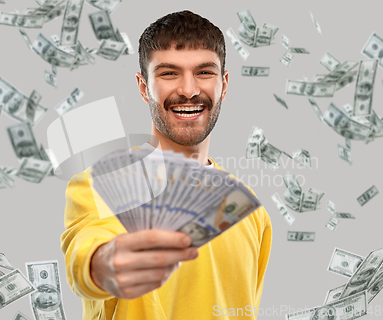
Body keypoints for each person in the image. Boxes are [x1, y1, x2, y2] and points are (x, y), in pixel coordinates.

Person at [61, 10, 272, 320]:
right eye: (169, 73)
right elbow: (86, 249)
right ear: (144, 86)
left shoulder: (249, 207)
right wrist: (103, 265)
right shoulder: (103, 182)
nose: (188, 90)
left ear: (224, 85)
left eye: (204, 72)